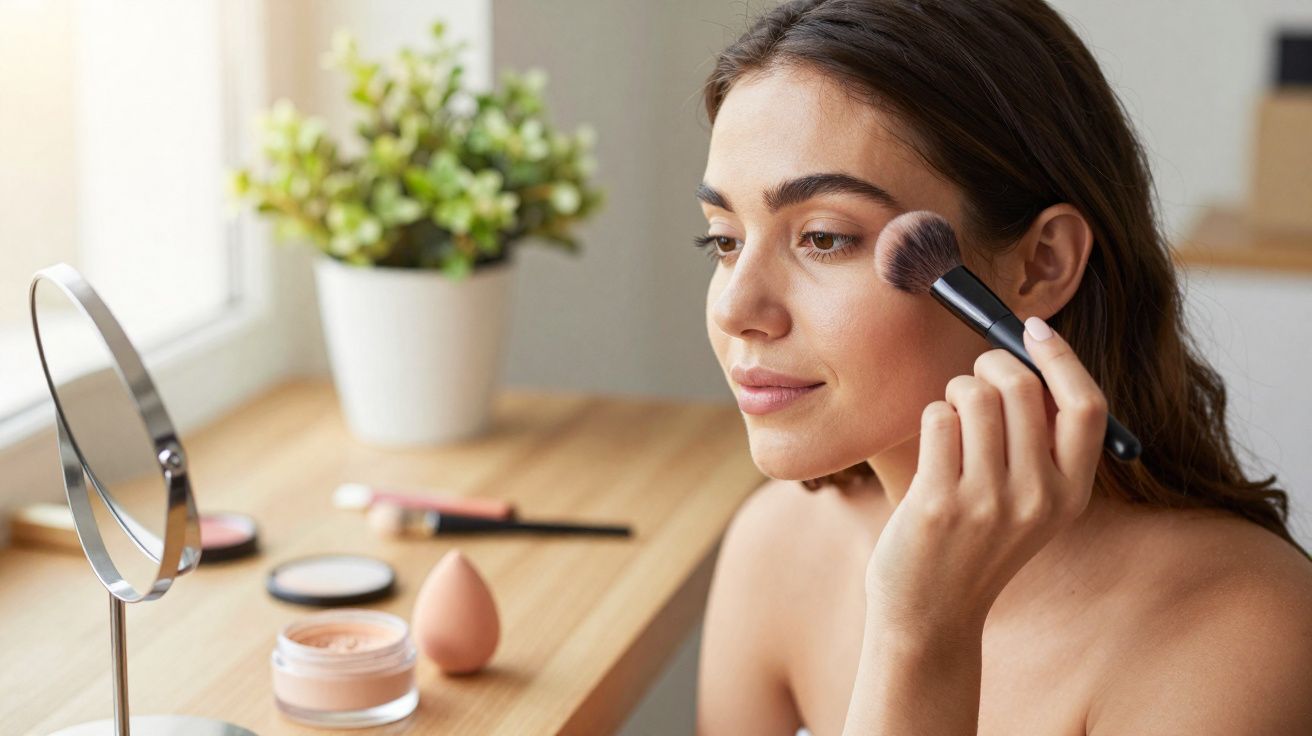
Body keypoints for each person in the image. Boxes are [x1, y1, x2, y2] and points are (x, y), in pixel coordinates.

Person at [692, 1, 1312, 734]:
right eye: (724, 240)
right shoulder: (778, 546)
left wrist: (921, 635)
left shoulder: (1241, 634)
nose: (737, 308)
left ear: (1041, 263)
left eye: (825, 238)